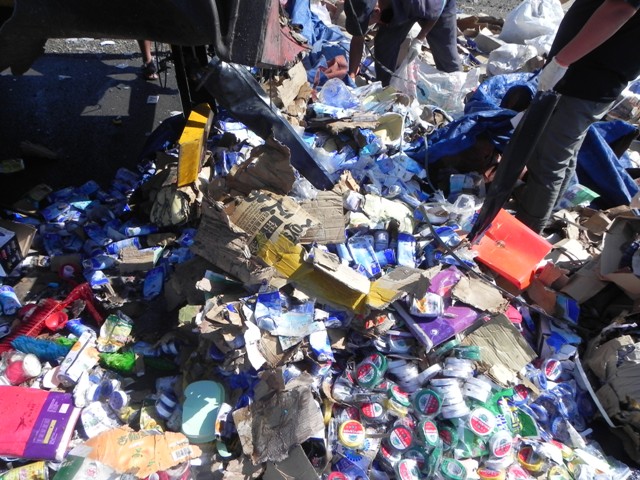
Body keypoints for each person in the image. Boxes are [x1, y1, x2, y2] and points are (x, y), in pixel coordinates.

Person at [514, 0, 640, 233]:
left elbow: (619, 8)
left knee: (548, 158)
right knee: (562, 154)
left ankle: (526, 229)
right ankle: (541, 214)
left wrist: (562, 61)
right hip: (590, 77)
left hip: (586, 78)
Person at [344, 0, 461, 86]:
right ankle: (385, 89)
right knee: (384, 45)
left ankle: (460, 93)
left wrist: (420, 38)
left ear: (377, 11)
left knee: (446, 54)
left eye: (367, 24)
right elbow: (358, 38)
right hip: (399, 8)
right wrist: (352, 75)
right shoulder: (359, 4)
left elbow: (436, 11)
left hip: (437, 5)